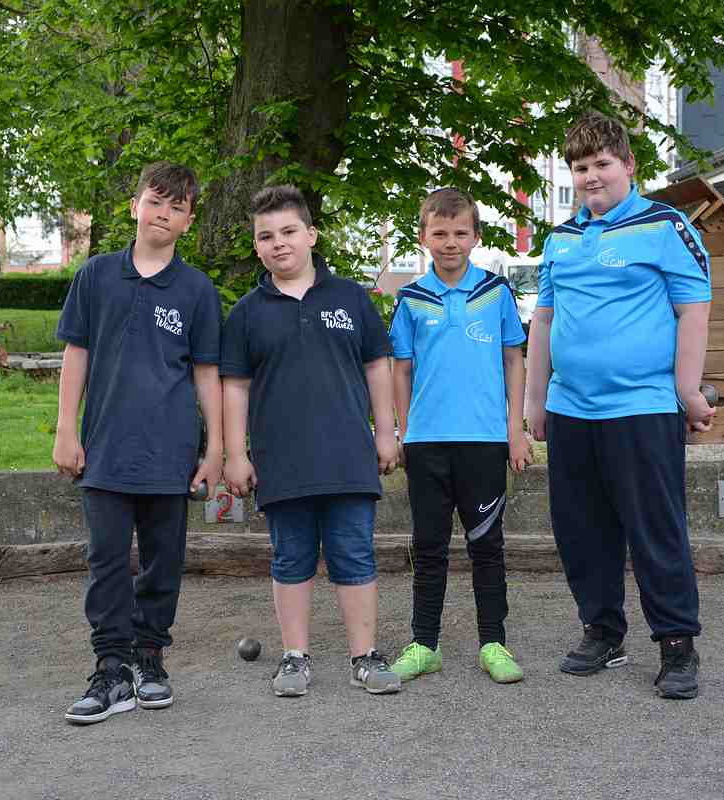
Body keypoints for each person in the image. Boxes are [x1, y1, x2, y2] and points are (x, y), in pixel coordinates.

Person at [525, 112, 715, 700]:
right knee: (581, 530)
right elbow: (544, 321)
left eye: (602, 164)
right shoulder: (559, 240)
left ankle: (677, 645)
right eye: (580, 167)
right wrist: (535, 401)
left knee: (655, 529)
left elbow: (693, 310)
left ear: (629, 165)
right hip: (571, 410)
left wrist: (688, 391)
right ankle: (603, 632)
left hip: (642, 406)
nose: (591, 176)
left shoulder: (666, 226)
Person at [54, 162, 224, 724]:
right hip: (104, 448)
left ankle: (149, 658)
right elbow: (76, 354)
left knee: (162, 561)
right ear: (135, 206)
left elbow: (206, 374)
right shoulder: (96, 276)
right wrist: (66, 429)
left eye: (177, 208)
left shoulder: (197, 290)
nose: (164, 214)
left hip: (170, 454)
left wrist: (215, 449)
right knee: (105, 561)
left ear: (189, 220)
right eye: (156, 202)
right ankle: (111, 670)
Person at [220, 184, 401, 697]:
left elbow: (377, 367)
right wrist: (235, 454)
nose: (279, 243)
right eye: (266, 236)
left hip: (348, 457)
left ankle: (364, 656)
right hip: (282, 462)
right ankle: (294, 658)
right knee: (291, 559)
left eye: (289, 231)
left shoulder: (351, 298)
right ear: (256, 246)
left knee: (355, 555)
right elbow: (234, 387)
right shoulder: (247, 313)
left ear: (311, 235)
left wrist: (386, 433)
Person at [388, 188, 530, 685]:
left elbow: (514, 360)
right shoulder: (411, 298)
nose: (450, 242)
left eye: (460, 233)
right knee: (428, 547)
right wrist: (405, 432)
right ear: (423, 236)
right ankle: (425, 645)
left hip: (485, 441)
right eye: (440, 233)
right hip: (427, 442)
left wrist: (515, 429)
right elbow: (401, 369)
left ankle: (494, 643)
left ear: (476, 236)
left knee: (486, 546)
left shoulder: (496, 293)